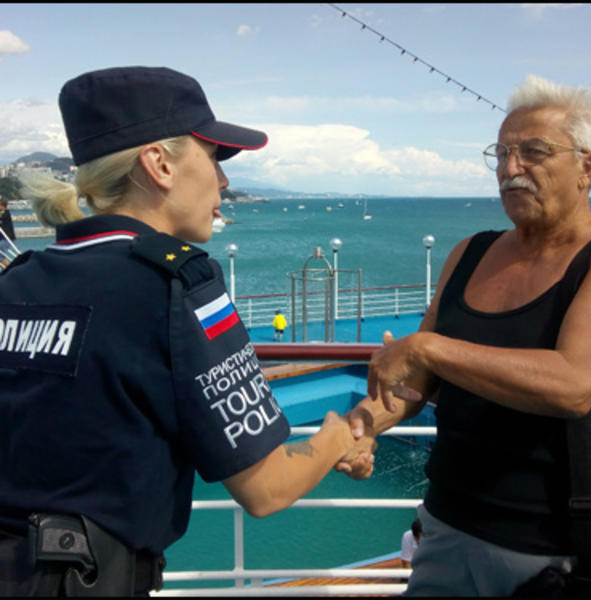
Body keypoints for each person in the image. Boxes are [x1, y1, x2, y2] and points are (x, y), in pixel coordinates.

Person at [0, 66, 375, 597]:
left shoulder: (19, 279)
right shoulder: (179, 285)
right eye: (215, 157)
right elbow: (266, 487)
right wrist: (336, 436)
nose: (223, 180)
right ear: (160, 164)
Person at [341, 74, 591, 597]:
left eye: (533, 152)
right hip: (444, 527)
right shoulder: (470, 253)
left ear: (587, 167)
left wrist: (427, 347)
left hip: (552, 550)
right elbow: (414, 386)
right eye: (501, 154)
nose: (510, 169)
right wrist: (358, 429)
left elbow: (574, 385)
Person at [0, 196, 15, 268]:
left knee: (0, 253)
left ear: (2, 206)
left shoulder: (5, 213)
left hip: (7, 239)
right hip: (2, 239)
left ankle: (9, 269)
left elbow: (1, 216)